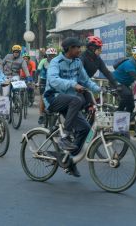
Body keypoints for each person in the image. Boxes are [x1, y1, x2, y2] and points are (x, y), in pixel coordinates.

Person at [43, 37, 101, 177]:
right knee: (76, 99)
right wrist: (72, 84)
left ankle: (69, 160)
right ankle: (65, 135)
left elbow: (85, 80)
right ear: (69, 48)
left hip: (70, 102)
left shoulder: (77, 62)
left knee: (85, 129)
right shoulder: (56, 62)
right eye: (77, 47)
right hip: (53, 98)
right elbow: (53, 80)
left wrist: (99, 89)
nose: (80, 50)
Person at [37, 47, 57, 125]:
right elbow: (38, 71)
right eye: (50, 55)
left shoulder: (58, 62)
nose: (52, 57)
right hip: (44, 80)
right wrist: (36, 81)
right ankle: (41, 115)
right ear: (47, 55)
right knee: (42, 97)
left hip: (54, 81)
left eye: (53, 55)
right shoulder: (43, 61)